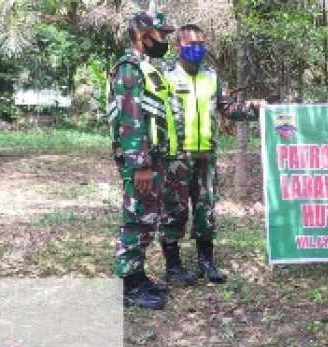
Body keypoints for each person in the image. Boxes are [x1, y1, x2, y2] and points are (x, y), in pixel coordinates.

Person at [161, 24, 265, 285]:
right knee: (175, 210)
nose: (197, 49)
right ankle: (173, 266)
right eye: (191, 44)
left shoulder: (211, 76)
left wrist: (254, 108)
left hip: (206, 155)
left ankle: (206, 263)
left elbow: (227, 108)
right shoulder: (165, 75)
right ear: (178, 46)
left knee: (206, 210)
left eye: (201, 44)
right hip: (175, 156)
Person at [108, 11, 176, 309]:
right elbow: (131, 120)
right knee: (135, 221)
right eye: (161, 35)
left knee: (146, 220)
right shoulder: (128, 68)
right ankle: (126, 286)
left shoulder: (145, 68)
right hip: (141, 162)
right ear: (142, 35)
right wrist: (141, 165)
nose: (164, 41)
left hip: (153, 157)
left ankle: (137, 276)